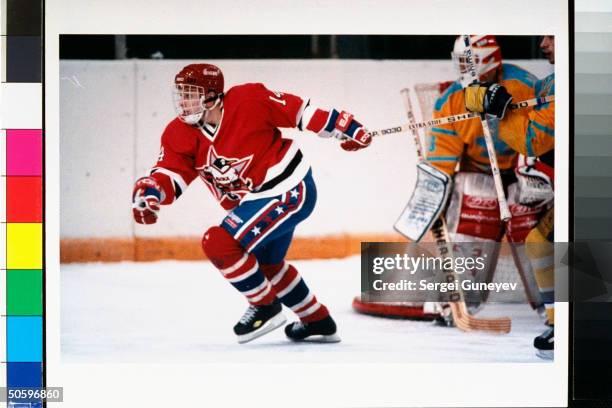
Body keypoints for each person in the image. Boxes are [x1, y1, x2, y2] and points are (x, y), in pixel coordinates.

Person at [131, 63, 372, 344]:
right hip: (257, 199)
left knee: (218, 242)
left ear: (212, 96)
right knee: (267, 264)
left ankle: (264, 306)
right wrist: (151, 192)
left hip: (289, 189)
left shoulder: (248, 100)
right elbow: (170, 175)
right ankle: (316, 320)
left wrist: (345, 126)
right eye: (180, 94)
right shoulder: (178, 133)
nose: (183, 101)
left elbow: (300, 112)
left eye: (190, 93)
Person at [464, 35, 555, 359]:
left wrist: (503, 111)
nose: (544, 43)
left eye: (553, 36)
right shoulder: (550, 83)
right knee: (540, 242)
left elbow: (535, 140)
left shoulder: (561, 84)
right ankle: (561, 322)